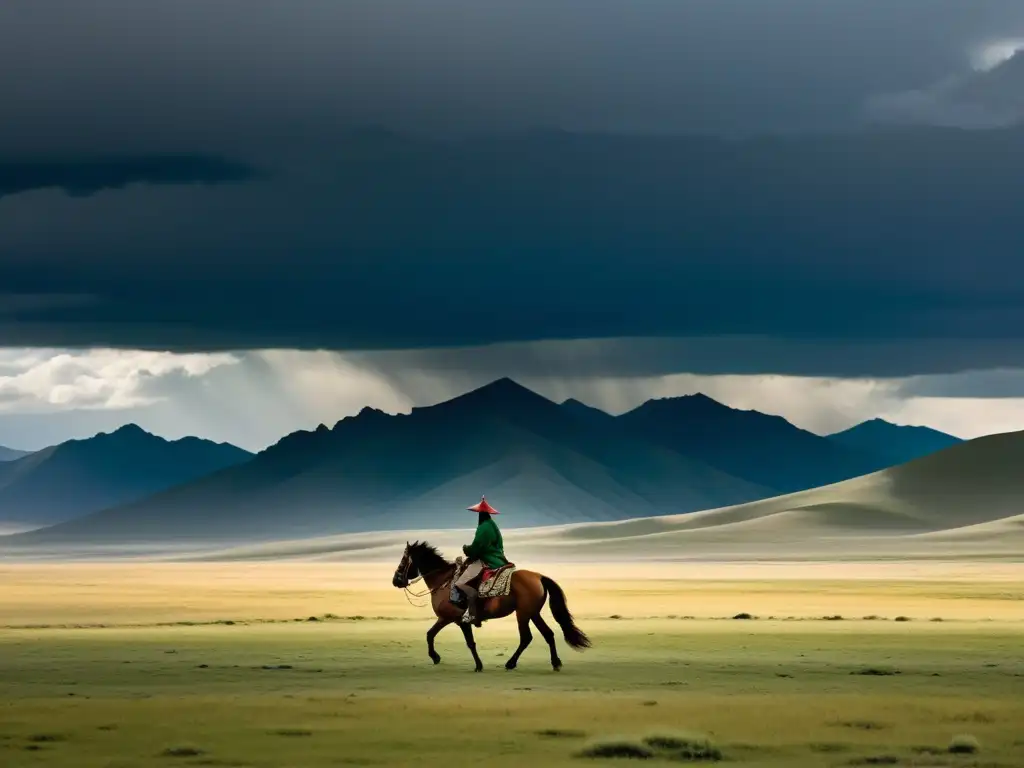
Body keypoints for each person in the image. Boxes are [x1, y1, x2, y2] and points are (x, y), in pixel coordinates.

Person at [454, 496, 509, 625]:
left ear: (480, 514)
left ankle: (472, 614)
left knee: (460, 583)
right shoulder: (493, 525)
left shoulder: (484, 527)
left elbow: (477, 547)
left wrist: (466, 549)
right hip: (499, 559)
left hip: (488, 559)